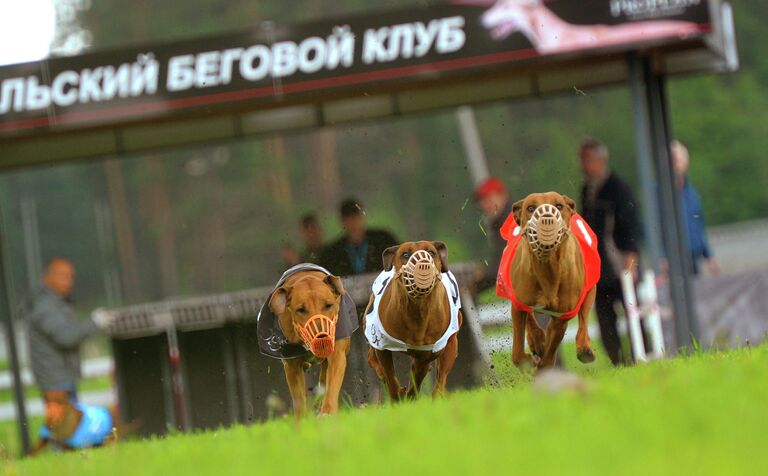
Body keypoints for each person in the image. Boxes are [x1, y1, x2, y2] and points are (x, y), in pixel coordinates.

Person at [579, 138, 642, 366]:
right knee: (605, 318)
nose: (583, 165)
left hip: (620, 262)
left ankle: (641, 355)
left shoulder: (618, 187)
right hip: (599, 266)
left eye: (587, 159)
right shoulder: (587, 189)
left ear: (600, 159)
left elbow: (632, 223)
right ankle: (618, 361)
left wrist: (631, 258)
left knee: (633, 312)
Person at [24, 258, 113, 404]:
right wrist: (94, 323)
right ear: (47, 278)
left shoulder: (55, 303)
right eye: (62, 276)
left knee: (71, 424)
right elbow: (67, 337)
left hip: (60, 377)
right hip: (55, 381)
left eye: (71, 276)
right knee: (66, 425)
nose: (68, 281)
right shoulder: (45, 306)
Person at [670, 140, 720, 276]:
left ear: (686, 162)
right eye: (672, 159)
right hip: (672, 262)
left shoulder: (691, 193)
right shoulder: (659, 193)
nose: (675, 164)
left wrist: (708, 255)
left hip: (692, 260)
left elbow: (698, 225)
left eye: (677, 159)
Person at [319, 198, 398, 276]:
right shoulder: (332, 253)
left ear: (362, 217)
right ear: (342, 221)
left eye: (355, 218)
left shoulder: (383, 239)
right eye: (348, 220)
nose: (353, 223)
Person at [472, 177, 512, 294]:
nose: (485, 204)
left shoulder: (512, 221)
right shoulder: (499, 223)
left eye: (489, 199)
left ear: (503, 196)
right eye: (482, 201)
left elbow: (500, 268)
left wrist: (477, 282)